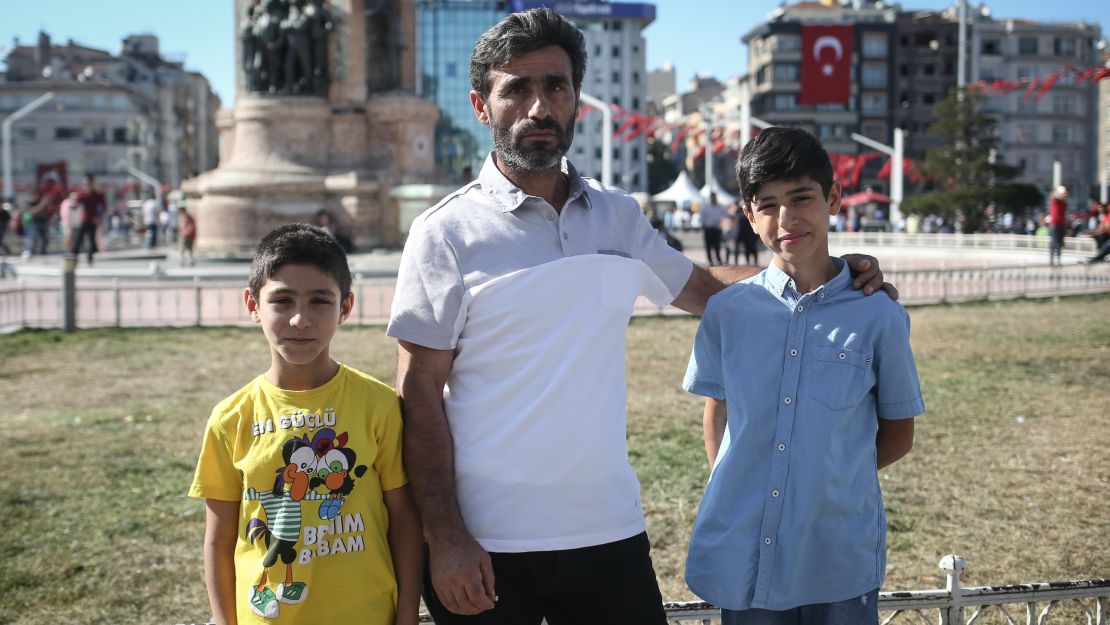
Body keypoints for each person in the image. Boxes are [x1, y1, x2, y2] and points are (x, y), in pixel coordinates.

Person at [386, 9, 892, 625]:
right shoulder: (445, 233)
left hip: (608, 533)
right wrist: (447, 538)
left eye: (556, 87)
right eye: (515, 88)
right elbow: (416, 393)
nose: (538, 107)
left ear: (577, 101)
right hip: (488, 545)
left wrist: (830, 274)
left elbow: (708, 289)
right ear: (481, 105)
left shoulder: (616, 217)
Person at [682, 127, 924, 625]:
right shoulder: (728, 313)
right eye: (767, 205)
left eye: (801, 198)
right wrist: (743, 484)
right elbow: (719, 411)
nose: (786, 218)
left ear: (833, 198)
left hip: (835, 547)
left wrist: (824, 475)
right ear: (748, 216)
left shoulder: (879, 315)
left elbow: (898, 433)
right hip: (742, 549)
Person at [188, 224, 422, 625]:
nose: (300, 319)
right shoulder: (231, 418)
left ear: (345, 307)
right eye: (282, 300)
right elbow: (220, 537)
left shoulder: (379, 405)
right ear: (252, 305)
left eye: (319, 301)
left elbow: (403, 521)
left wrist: (406, 615)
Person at [72, 175, 105, 265]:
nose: (87, 186)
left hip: (93, 220)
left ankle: (90, 259)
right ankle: (73, 258)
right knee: (78, 239)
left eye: (89, 184)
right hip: (84, 220)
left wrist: (98, 217)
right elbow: (76, 205)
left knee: (91, 240)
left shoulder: (97, 195)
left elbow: (102, 207)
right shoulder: (83, 195)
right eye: (86, 184)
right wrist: (73, 204)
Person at [700, 192, 726, 265]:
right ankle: (710, 260)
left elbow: (725, 215)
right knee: (708, 245)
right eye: (712, 198)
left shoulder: (720, 206)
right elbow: (702, 217)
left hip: (717, 229)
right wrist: (704, 225)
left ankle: (718, 259)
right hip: (708, 229)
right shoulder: (705, 207)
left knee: (717, 245)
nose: (713, 199)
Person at [1048, 186, 1068, 266]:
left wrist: (1063, 195)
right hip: (1054, 224)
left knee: (1060, 242)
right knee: (1054, 242)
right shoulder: (1054, 202)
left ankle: (1058, 259)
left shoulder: (1063, 203)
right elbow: (1053, 195)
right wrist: (1056, 189)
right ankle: (1052, 260)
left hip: (1062, 224)